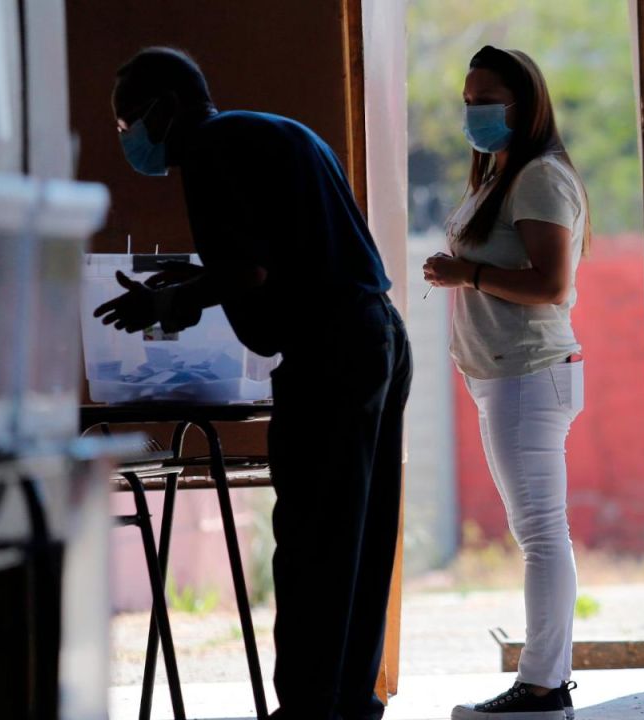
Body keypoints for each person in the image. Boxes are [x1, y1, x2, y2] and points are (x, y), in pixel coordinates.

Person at [95, 47, 412, 720]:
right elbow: (281, 254)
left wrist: (165, 306)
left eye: (129, 124)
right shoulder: (270, 131)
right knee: (358, 535)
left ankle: (306, 710)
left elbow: (251, 274)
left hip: (330, 352)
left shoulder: (210, 151)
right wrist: (189, 284)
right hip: (375, 332)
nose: (128, 139)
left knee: (312, 542)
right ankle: (347, 703)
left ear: (164, 109)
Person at [423, 46, 588, 720]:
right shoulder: (502, 173)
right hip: (507, 377)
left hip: (530, 375)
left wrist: (468, 276)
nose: (476, 112)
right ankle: (543, 680)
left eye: (487, 99)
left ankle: (544, 685)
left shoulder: (539, 178)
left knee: (542, 536)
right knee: (539, 534)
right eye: (468, 101)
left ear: (524, 104)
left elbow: (552, 285)